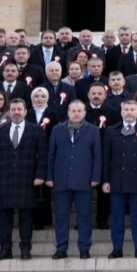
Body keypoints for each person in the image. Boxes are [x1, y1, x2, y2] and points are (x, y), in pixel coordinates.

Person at [0, 99, 47, 260]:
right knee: (4, 217)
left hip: (27, 179)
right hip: (4, 179)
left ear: (25, 111)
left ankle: (25, 249)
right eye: (13, 110)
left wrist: (40, 175)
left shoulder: (36, 130)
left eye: (19, 109)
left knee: (26, 217)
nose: (16, 112)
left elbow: (42, 155)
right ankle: (5, 249)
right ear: (9, 112)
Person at [46, 100, 101, 260]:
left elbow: (97, 155)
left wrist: (96, 177)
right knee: (61, 216)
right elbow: (51, 155)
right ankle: (61, 248)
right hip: (61, 179)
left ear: (84, 113)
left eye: (79, 111)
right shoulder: (57, 130)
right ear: (68, 113)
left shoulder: (93, 130)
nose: (76, 114)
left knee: (84, 216)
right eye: (73, 111)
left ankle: (84, 248)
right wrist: (49, 176)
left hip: (84, 180)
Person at [102, 99, 137, 259]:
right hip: (117, 180)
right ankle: (117, 248)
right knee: (117, 217)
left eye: (133, 109)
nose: (129, 112)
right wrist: (105, 180)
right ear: (121, 112)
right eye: (126, 110)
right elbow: (106, 157)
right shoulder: (111, 131)